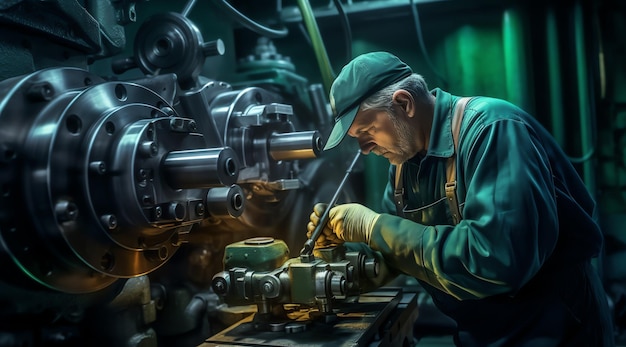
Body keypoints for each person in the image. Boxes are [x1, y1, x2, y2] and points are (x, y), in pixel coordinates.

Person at [307, 51, 615, 346]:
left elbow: (496, 259)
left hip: (552, 329)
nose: (364, 148)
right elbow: (398, 253)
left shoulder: (492, 130)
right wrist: (343, 249)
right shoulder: (404, 165)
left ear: (404, 104)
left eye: (368, 130)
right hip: (480, 334)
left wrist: (374, 227)